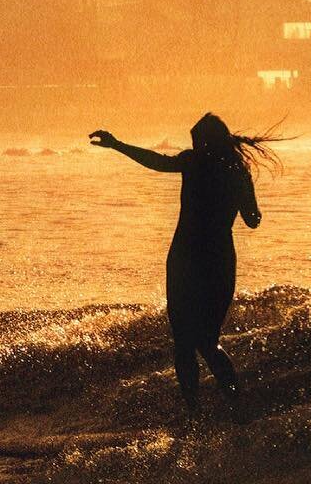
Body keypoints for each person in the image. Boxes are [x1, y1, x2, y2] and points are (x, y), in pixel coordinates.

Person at [90, 114, 280, 415]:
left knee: (184, 343)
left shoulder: (193, 162)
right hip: (218, 259)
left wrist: (117, 145)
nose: (193, 146)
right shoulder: (237, 171)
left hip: (186, 257)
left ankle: (195, 412)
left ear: (205, 142)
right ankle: (236, 408)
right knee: (206, 342)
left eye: (196, 141)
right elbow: (253, 220)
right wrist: (240, 194)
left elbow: (157, 162)